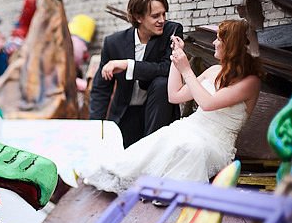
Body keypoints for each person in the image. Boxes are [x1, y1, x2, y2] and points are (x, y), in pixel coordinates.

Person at [81, 19, 263, 196]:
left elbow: (208, 104)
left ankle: (168, 193)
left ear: (231, 46)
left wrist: (186, 70)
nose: (214, 43)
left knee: (191, 147)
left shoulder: (250, 82)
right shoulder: (214, 71)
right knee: (162, 140)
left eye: (219, 39)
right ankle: (120, 178)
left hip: (215, 143)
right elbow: (174, 95)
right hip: (189, 128)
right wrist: (177, 58)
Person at [89, 0, 183, 147]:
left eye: (164, 14)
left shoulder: (171, 32)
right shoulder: (114, 43)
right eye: (155, 16)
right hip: (126, 114)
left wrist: (128, 65)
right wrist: (96, 127)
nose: (162, 20)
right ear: (138, 17)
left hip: (157, 113)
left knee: (161, 82)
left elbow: (167, 68)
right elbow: (101, 89)